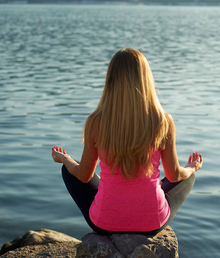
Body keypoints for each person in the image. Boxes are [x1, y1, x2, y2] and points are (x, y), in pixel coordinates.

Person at [52, 48, 203, 235]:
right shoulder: (163, 121)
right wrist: (192, 167)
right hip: (151, 224)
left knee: (69, 171)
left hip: (104, 224)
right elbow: (174, 176)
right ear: (145, 79)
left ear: (111, 80)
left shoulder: (96, 121)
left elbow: (83, 176)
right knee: (187, 177)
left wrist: (65, 159)